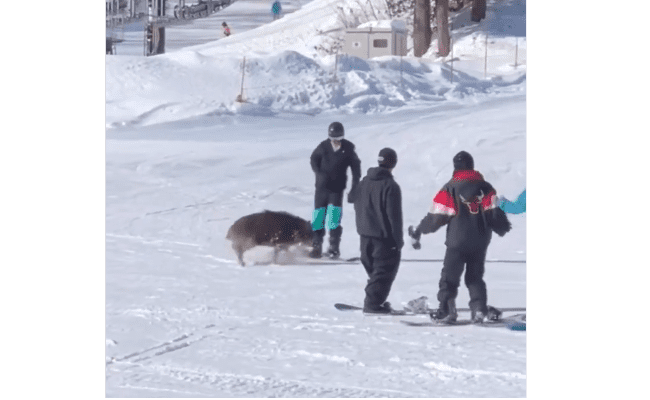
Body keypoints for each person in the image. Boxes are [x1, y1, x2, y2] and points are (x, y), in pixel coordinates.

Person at [408, 151, 512, 323]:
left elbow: (437, 217)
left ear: (455, 167)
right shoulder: (485, 187)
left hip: (457, 241)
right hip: (480, 240)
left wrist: (420, 230)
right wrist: (502, 227)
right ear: (471, 165)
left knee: (449, 277)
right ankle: (479, 310)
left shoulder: (450, 187)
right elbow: (493, 213)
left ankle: (447, 310)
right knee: (475, 277)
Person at [352, 148, 404, 314]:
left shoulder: (364, 182)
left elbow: (354, 202)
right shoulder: (390, 186)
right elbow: (393, 216)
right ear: (393, 163)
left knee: (375, 272)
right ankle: (373, 303)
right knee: (384, 271)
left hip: (365, 235)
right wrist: (398, 240)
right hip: (383, 237)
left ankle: (374, 299)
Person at [309, 122, 361, 259]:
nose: (336, 142)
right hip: (321, 189)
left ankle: (334, 248)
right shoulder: (323, 146)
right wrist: (318, 172)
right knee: (318, 218)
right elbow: (313, 159)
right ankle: (316, 246)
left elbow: (356, 169)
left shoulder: (348, 148)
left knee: (333, 219)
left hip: (337, 190)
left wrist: (354, 188)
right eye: (333, 139)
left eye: (338, 139)